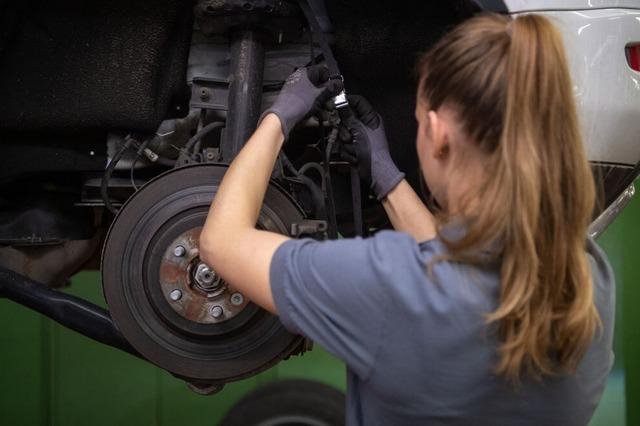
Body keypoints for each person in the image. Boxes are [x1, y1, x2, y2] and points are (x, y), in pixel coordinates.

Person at [200, 13, 614, 426]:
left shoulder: (388, 286)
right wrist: (386, 176)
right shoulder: (588, 279)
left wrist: (278, 119)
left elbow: (221, 241)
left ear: (437, 133)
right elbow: (451, 278)